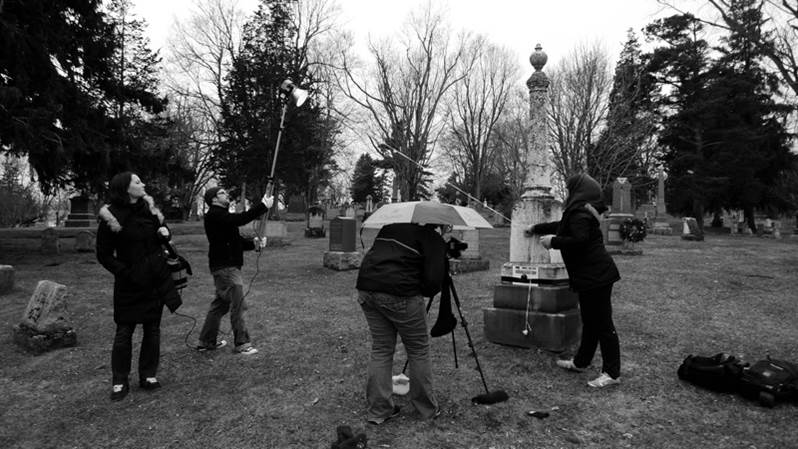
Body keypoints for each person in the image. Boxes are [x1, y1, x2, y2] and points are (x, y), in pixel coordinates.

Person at [526, 173, 622, 388]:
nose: (569, 194)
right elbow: (562, 226)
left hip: (597, 276)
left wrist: (554, 242)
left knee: (603, 324)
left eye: (571, 190)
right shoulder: (579, 211)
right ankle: (581, 362)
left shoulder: (580, 213)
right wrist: (537, 228)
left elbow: (579, 240)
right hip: (589, 276)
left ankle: (612, 372)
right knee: (589, 321)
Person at [97, 172, 182, 401]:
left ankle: (148, 374)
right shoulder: (111, 216)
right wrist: (126, 273)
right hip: (130, 283)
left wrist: (166, 233)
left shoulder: (150, 209)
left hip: (155, 279)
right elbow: (103, 255)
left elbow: (163, 234)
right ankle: (119, 380)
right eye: (137, 182)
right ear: (125, 188)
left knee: (152, 329)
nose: (143, 184)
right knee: (124, 331)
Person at [355, 222, 447, 424]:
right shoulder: (433, 239)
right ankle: (426, 409)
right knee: (418, 350)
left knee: (381, 348)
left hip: (367, 287)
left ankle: (379, 411)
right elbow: (432, 283)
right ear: (440, 225)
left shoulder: (390, 228)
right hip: (401, 293)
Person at [196, 185, 273, 355]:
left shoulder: (222, 217)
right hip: (226, 268)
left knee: (220, 305)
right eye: (222, 193)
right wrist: (262, 206)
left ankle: (206, 341)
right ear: (214, 199)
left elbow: (235, 240)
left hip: (224, 266)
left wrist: (254, 243)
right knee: (239, 305)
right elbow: (240, 219)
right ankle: (242, 343)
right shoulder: (215, 215)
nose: (226, 194)